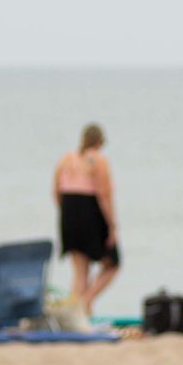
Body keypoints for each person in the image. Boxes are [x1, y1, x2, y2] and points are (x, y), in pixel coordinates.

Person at [53, 123, 120, 317]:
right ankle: (85, 301)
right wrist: (112, 225)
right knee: (112, 263)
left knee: (80, 269)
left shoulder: (66, 159)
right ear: (99, 141)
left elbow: (56, 191)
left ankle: (76, 313)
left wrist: (65, 213)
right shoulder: (98, 160)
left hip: (68, 211)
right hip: (90, 210)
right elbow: (104, 194)